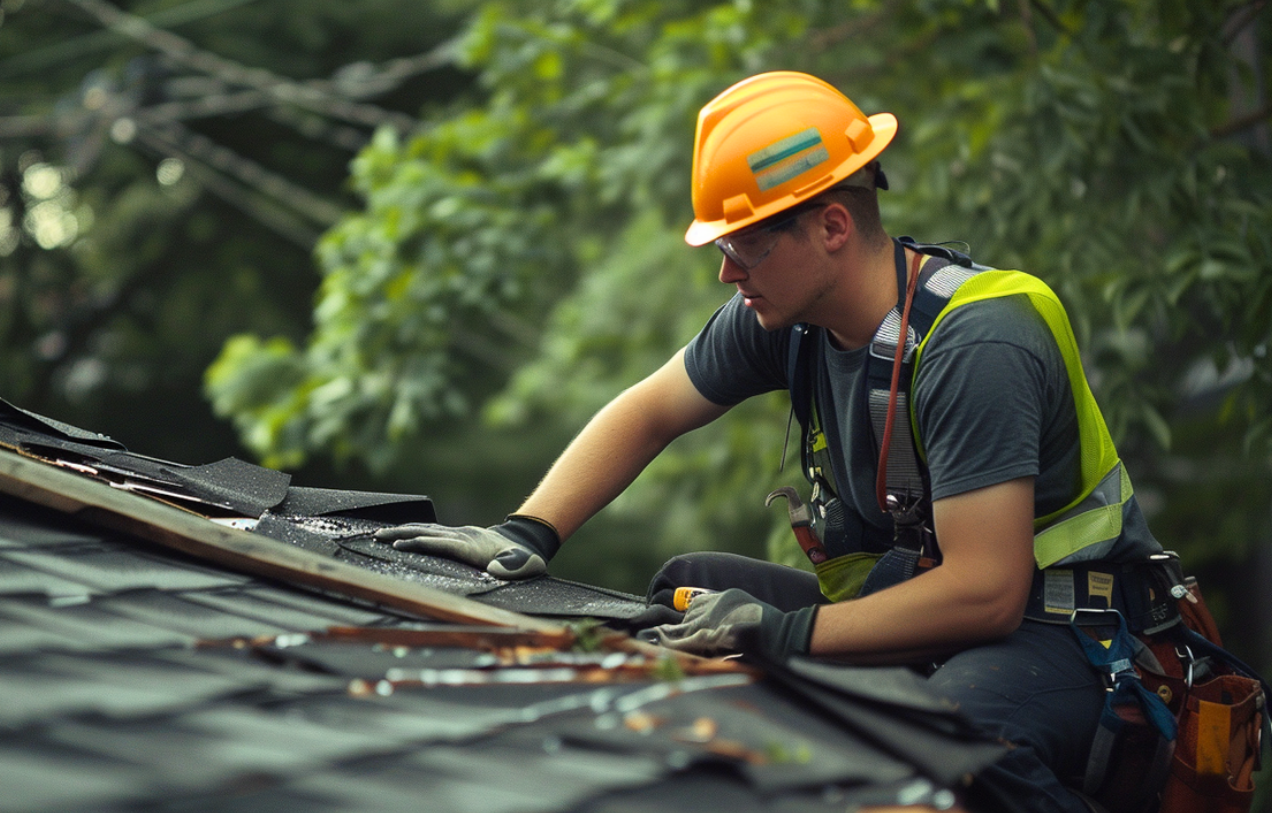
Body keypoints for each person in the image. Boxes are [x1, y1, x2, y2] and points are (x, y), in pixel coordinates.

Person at [375, 72, 1170, 812]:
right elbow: (648, 409)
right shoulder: (787, 316)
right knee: (685, 590)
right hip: (919, 600)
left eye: (742, 245)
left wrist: (783, 634)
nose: (728, 274)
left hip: (1057, 632)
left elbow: (985, 595)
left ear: (830, 226)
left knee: (938, 741)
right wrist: (527, 532)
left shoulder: (975, 344)